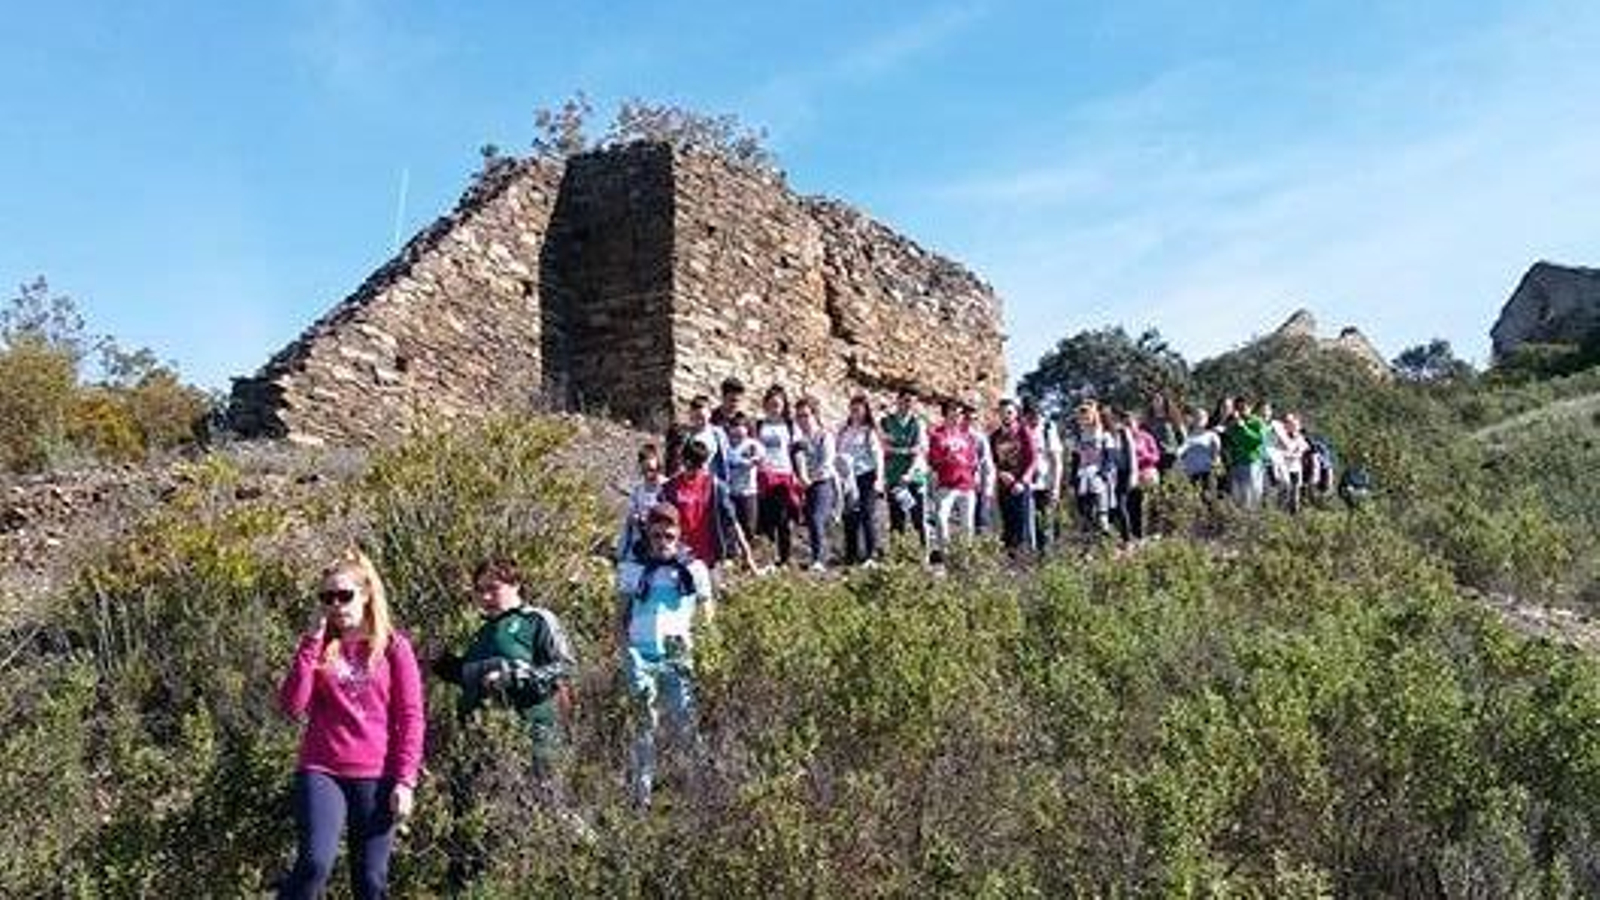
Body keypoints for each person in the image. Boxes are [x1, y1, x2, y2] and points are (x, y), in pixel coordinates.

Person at [277, 550, 424, 900]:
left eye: (344, 595)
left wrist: (405, 780)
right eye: (327, 597)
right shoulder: (320, 646)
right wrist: (311, 643)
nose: (336, 605)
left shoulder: (392, 646)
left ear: (366, 594)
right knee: (314, 863)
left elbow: (411, 716)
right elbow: (293, 705)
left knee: (370, 881)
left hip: (378, 774)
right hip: (322, 769)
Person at [434, 558, 577, 782]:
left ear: (516, 584)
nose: (486, 597)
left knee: (535, 808)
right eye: (480, 590)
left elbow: (564, 668)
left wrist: (513, 677)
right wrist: (439, 661)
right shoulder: (482, 632)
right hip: (480, 744)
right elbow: (468, 676)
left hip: (532, 740)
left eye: (493, 588)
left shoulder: (536, 620)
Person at [615, 503, 715, 809]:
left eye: (669, 535)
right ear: (648, 534)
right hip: (640, 652)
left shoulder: (693, 569)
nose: (663, 541)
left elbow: (707, 612)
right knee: (644, 725)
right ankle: (641, 797)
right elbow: (620, 614)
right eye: (657, 535)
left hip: (677, 651)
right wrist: (624, 648)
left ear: (679, 534)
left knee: (684, 722)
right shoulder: (633, 568)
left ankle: (700, 793)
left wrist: (705, 644)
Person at [661, 436, 756, 573]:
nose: (694, 471)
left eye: (698, 466)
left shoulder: (715, 486)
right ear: (683, 461)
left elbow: (732, 521)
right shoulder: (669, 488)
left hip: (709, 557)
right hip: (678, 555)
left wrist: (747, 555)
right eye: (690, 465)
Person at [836, 394, 886, 566]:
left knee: (867, 514)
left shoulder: (869, 431)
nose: (855, 412)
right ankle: (851, 554)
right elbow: (838, 452)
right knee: (849, 515)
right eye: (853, 409)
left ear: (865, 411)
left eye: (859, 409)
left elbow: (877, 455)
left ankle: (871, 555)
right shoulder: (844, 430)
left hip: (867, 476)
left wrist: (879, 480)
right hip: (847, 477)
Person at [926, 398, 978, 562]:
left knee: (967, 524)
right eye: (953, 412)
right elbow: (933, 461)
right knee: (941, 519)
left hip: (966, 485)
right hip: (946, 484)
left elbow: (973, 459)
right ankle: (946, 555)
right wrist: (947, 458)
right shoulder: (937, 435)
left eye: (960, 413)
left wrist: (970, 467)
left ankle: (965, 559)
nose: (957, 415)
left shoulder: (967, 436)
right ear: (945, 414)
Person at [793, 396, 841, 571]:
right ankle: (816, 556)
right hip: (805, 484)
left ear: (814, 415)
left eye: (806, 415)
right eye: (799, 416)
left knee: (817, 518)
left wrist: (809, 479)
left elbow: (827, 463)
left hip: (823, 482)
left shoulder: (824, 436)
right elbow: (798, 462)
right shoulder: (799, 440)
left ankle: (819, 558)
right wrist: (802, 479)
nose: (802, 420)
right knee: (809, 521)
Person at [755, 385, 801, 567]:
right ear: (765, 405)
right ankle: (767, 558)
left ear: (783, 406)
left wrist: (799, 474)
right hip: (764, 475)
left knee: (783, 518)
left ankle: (785, 558)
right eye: (771, 404)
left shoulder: (789, 426)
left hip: (784, 475)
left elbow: (797, 452)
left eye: (778, 405)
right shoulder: (758, 425)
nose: (774, 408)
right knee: (765, 518)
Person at [882, 389, 932, 553]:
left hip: (915, 476)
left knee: (919, 518)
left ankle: (924, 555)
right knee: (897, 519)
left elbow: (920, 450)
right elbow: (883, 447)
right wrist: (906, 450)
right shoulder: (886, 422)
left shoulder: (918, 423)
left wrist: (908, 471)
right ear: (898, 401)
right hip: (894, 476)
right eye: (906, 400)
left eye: (912, 402)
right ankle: (897, 558)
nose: (909, 404)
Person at [989, 398, 1038, 553]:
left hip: (1021, 486)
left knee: (1022, 526)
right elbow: (992, 461)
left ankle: (1023, 564)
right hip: (1004, 485)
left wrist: (1022, 482)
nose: (1006, 415)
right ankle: (1009, 565)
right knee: (1007, 526)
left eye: (1009, 412)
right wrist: (999, 473)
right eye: (1002, 412)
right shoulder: (994, 436)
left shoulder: (1024, 431)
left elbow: (1033, 459)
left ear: (1016, 413)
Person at [1069, 401, 1118, 537]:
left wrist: (1102, 473)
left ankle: (1107, 544)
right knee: (1085, 513)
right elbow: (1075, 459)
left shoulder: (1104, 435)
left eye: (1087, 415)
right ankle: (1088, 545)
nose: (1084, 419)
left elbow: (1110, 457)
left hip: (1098, 476)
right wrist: (1073, 478)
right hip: (1083, 475)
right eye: (1081, 416)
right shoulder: (1078, 437)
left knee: (1102, 513)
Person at [1021, 399, 1064, 552]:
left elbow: (1056, 461)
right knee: (1028, 523)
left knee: (1045, 521)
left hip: (1046, 483)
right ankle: (1032, 556)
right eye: (1030, 415)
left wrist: (1056, 486)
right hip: (1026, 485)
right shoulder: (1022, 429)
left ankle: (1047, 557)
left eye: (1036, 414)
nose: (1034, 418)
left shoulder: (1048, 428)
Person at [617, 443, 666, 560]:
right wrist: (636, 517)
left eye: (652, 470)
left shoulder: (666, 487)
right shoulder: (638, 489)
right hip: (640, 540)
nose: (649, 474)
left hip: (660, 541)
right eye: (645, 470)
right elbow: (631, 513)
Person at [1220, 397, 1269, 510]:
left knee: (1252, 496)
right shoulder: (1233, 423)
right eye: (1238, 408)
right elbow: (1231, 440)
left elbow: (1258, 440)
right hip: (1236, 463)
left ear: (1250, 408)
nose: (1242, 410)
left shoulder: (1257, 422)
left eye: (1244, 407)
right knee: (1237, 497)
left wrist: (1243, 428)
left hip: (1252, 463)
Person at [723, 413, 764, 543]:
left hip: (748, 492)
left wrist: (750, 461)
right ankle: (732, 554)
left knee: (749, 526)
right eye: (734, 427)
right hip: (729, 492)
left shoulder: (752, 445)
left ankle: (748, 553)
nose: (737, 431)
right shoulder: (725, 445)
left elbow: (760, 458)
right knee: (730, 525)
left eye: (741, 427)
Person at [966, 403, 997, 535]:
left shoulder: (980, 438)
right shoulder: (953, 435)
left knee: (980, 523)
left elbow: (987, 465)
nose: (971, 422)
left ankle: (980, 552)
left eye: (974, 419)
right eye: (968, 418)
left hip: (977, 487)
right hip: (957, 486)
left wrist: (988, 490)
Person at [1177, 407, 1222, 495]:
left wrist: (1215, 461)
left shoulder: (1212, 435)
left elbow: (1216, 453)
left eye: (1202, 417)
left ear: (1207, 420)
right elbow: (1180, 452)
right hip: (1191, 474)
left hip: (1207, 473)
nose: (1199, 419)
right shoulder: (1188, 437)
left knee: (1209, 500)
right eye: (1197, 417)